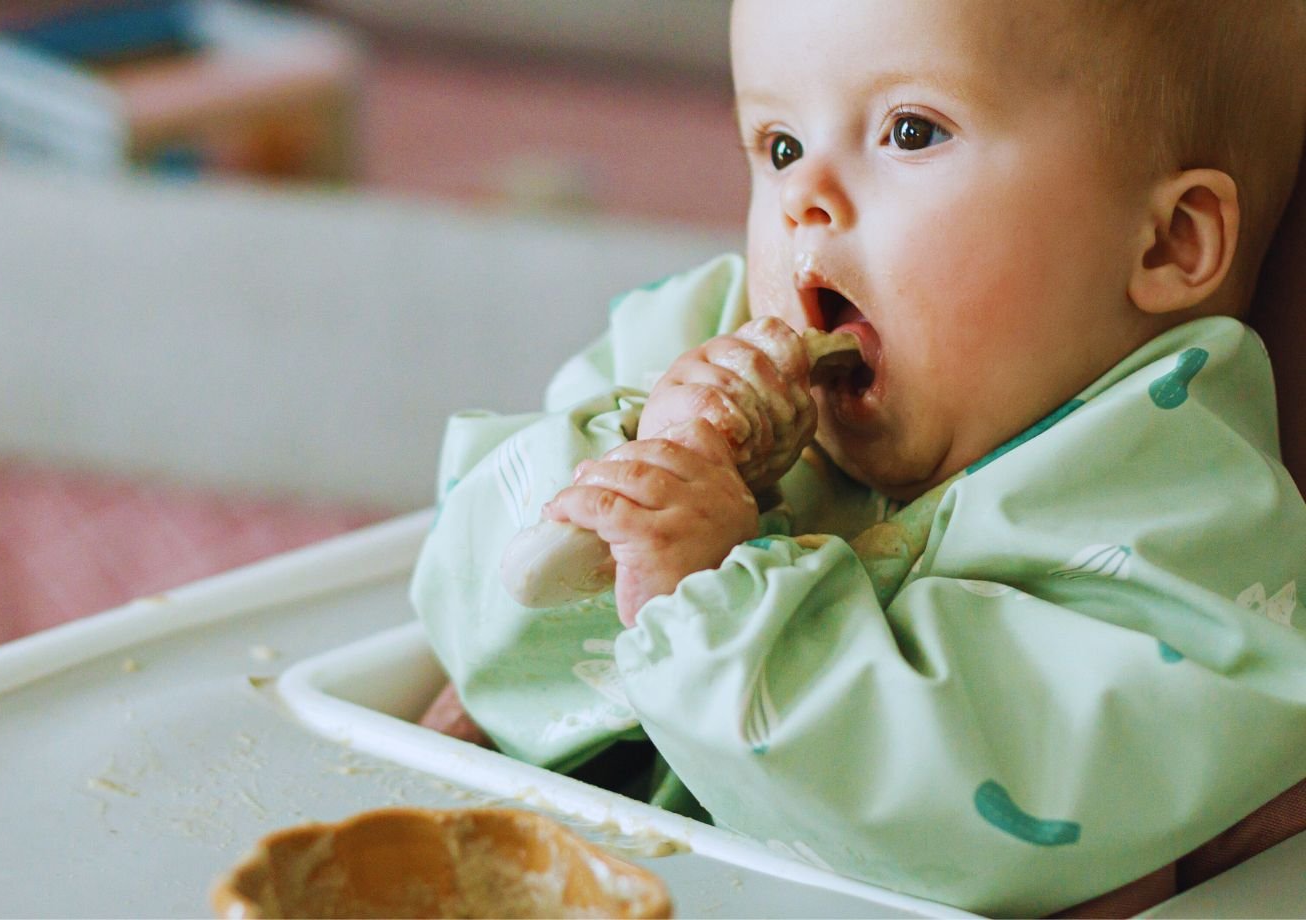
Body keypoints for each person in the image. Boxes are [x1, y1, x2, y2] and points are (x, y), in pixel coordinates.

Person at [411, 1, 1306, 915]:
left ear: (1166, 240)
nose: (805, 200)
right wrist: (643, 462)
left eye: (910, 131)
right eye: (780, 145)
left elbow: (956, 813)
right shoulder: (688, 347)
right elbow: (471, 600)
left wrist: (707, 601)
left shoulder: (1176, 516)